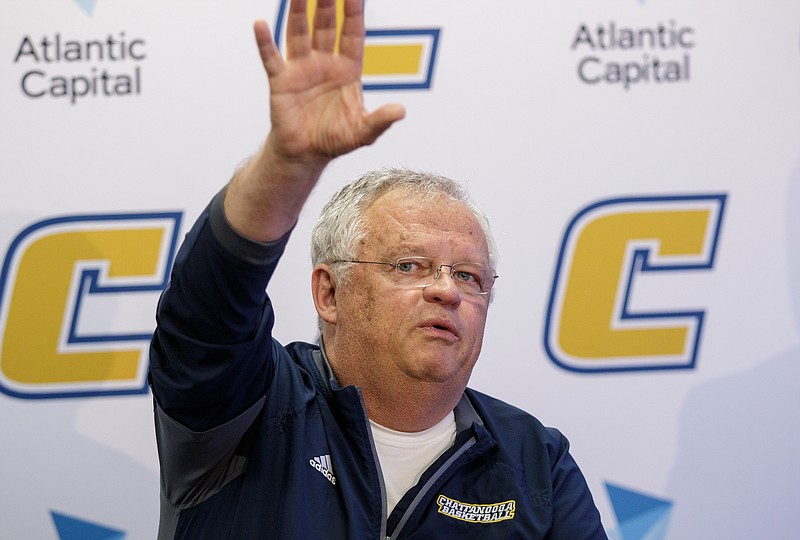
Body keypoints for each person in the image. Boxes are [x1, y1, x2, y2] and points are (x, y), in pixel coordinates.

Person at [148, 0, 607, 538]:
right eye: (410, 266)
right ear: (329, 293)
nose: (446, 291)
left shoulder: (535, 464)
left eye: (467, 276)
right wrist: (288, 163)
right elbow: (209, 304)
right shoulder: (249, 405)